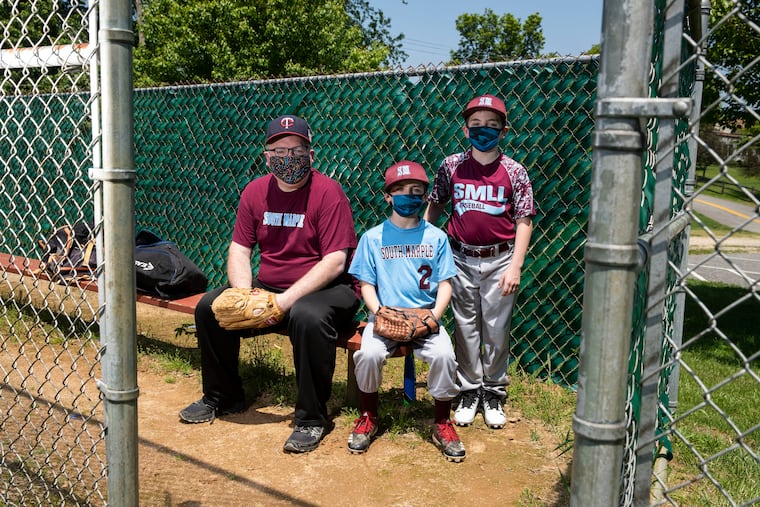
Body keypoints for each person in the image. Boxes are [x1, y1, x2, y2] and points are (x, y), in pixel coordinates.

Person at [179, 114, 361, 454]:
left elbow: (336, 260)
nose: (288, 157)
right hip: (269, 286)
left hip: (327, 289)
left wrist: (282, 303)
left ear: (311, 154)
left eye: (297, 149)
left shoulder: (328, 192)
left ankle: (311, 418)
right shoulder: (255, 191)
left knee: (307, 316)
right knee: (210, 308)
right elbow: (239, 249)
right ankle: (223, 397)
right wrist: (245, 294)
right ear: (266, 156)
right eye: (279, 150)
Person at [424, 94, 536, 430]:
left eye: (491, 125)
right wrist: (426, 247)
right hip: (459, 257)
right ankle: (469, 390)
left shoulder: (514, 171)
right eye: (476, 124)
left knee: (497, 330)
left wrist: (515, 265)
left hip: (500, 259)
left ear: (503, 130)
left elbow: (524, 219)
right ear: (465, 128)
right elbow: (435, 205)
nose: (483, 130)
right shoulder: (452, 166)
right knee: (466, 328)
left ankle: (494, 393)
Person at [346, 160, 465, 462]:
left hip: (425, 316)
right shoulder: (373, 237)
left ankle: (442, 421)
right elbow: (366, 284)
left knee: (444, 356)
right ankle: (369, 415)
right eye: (400, 191)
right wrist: (379, 312)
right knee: (369, 355)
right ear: (388, 196)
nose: (409, 196)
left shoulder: (436, 237)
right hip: (384, 314)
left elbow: (446, 284)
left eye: (416, 191)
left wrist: (434, 317)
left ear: (425, 196)